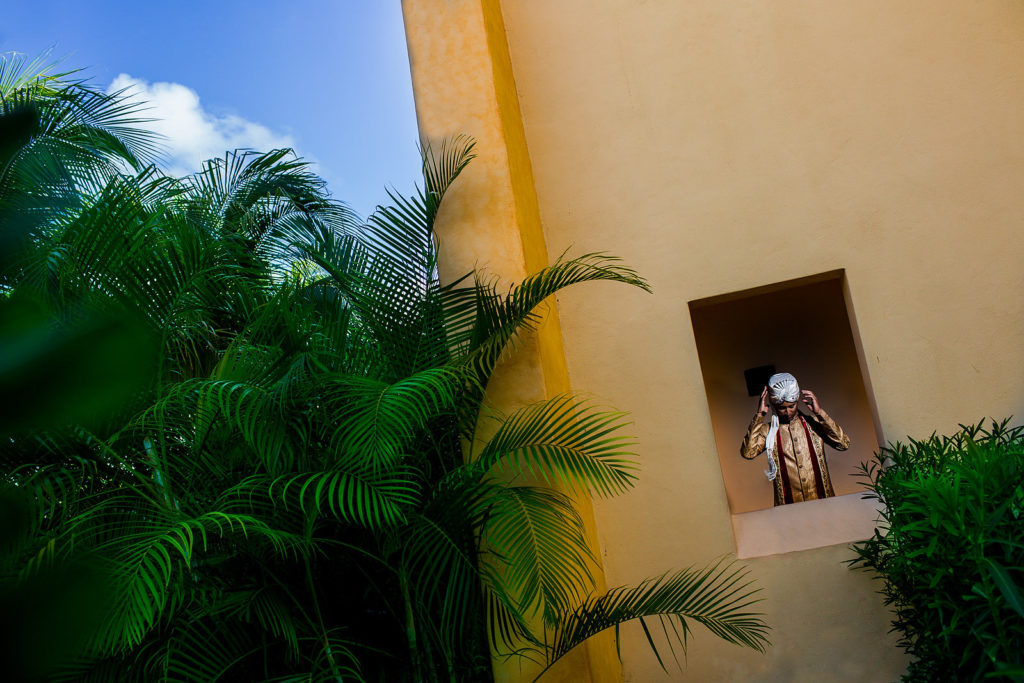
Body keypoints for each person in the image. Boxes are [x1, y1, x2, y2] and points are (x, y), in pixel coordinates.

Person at [740, 372, 851, 506]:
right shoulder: (768, 431)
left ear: (797, 400)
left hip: (824, 503)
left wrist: (820, 413)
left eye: (791, 406)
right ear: (774, 406)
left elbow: (843, 444)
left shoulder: (814, 423)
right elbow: (748, 452)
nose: (787, 412)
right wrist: (759, 415)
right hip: (789, 509)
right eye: (782, 408)